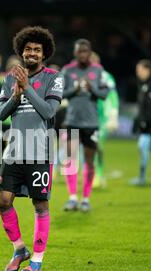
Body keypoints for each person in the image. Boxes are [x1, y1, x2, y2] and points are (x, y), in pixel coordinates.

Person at [0, 26, 64, 271]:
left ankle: (36, 260)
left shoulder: (53, 78)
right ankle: (19, 248)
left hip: (40, 151)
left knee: (40, 205)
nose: (32, 53)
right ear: (21, 51)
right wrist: (15, 96)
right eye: (28, 49)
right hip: (13, 151)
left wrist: (27, 88)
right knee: (3, 200)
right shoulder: (9, 78)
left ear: (44, 53)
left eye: (37, 49)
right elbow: (0, 114)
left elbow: (48, 112)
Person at [61, 39, 109, 212]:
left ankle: (86, 199)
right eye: (79, 51)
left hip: (91, 123)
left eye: (85, 51)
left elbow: (104, 93)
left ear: (89, 53)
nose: (82, 54)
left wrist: (92, 88)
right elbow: (59, 94)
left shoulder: (98, 70)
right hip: (72, 121)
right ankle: (72, 197)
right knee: (70, 161)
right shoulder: (67, 70)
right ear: (75, 53)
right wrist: (74, 89)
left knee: (89, 161)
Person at [89, 52, 119, 189]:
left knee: (98, 146)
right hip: (87, 117)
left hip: (102, 118)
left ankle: (99, 174)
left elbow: (112, 96)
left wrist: (113, 115)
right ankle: (91, 175)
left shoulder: (106, 77)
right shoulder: (84, 75)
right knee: (88, 148)